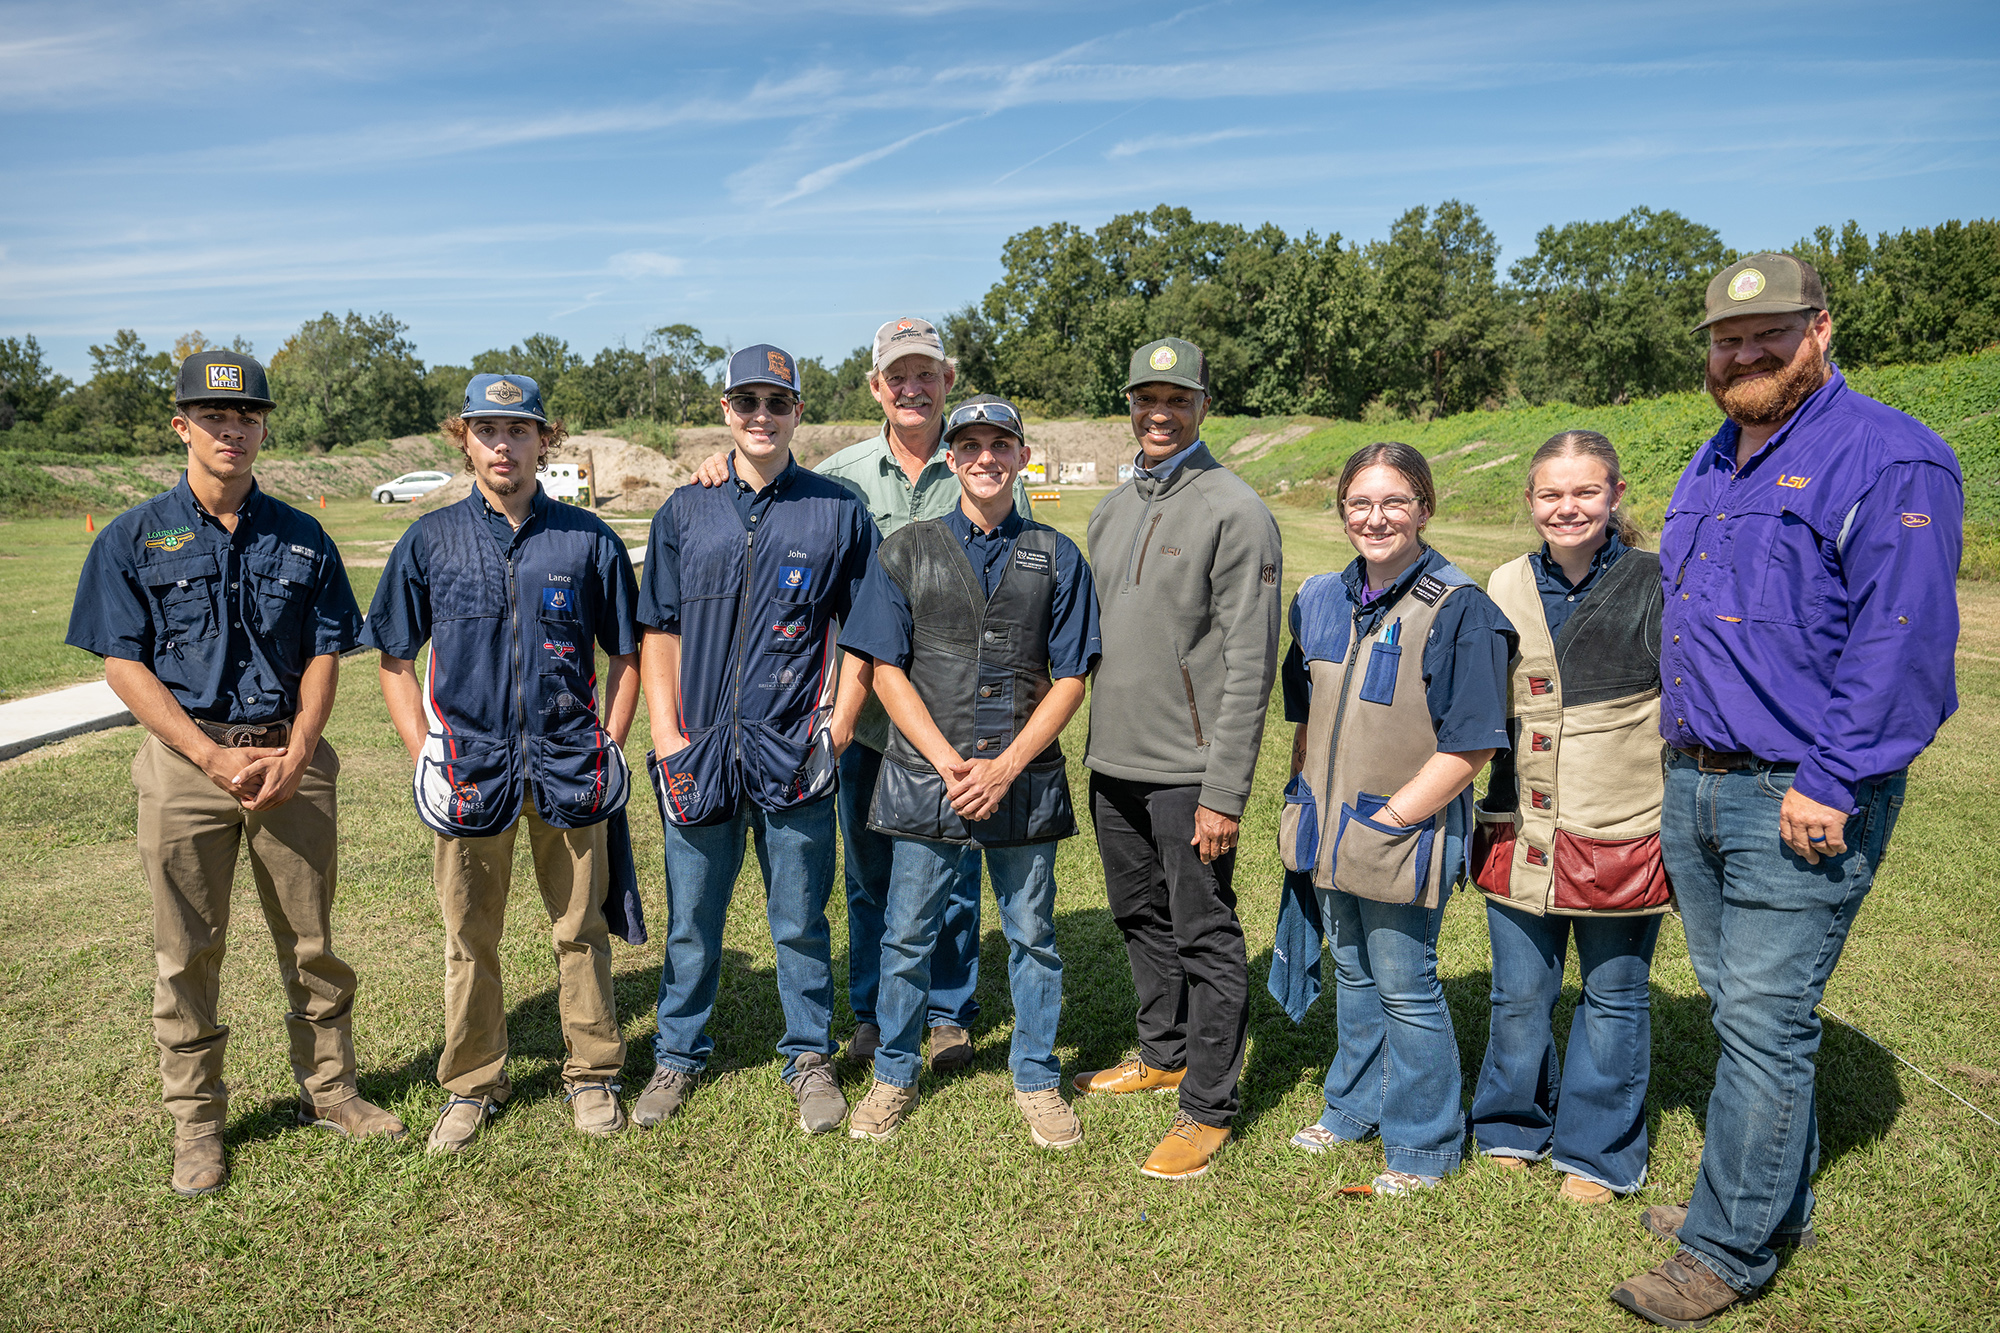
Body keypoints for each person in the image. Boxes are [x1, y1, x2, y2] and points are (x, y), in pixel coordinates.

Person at [1609, 255, 1963, 1327]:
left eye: (1768, 332)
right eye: (1726, 339)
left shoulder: (1889, 457)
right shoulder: (1715, 457)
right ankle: (1767, 1197)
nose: (1744, 353)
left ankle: (1725, 1248)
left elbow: (1900, 641)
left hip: (1798, 791)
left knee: (1765, 1018)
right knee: (1740, 1010)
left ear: (1819, 328)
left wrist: (1832, 778)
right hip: (1698, 780)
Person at [67, 350, 403, 1197]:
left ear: (263, 429)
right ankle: (198, 1125)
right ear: (181, 426)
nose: (233, 430)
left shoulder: (302, 535)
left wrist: (301, 749)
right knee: (186, 950)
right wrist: (210, 755)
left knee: (313, 942)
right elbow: (122, 664)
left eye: (247, 416)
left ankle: (331, 1091)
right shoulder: (133, 537)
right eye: (214, 417)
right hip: (188, 765)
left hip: (291, 758)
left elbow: (326, 649)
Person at [688, 318, 1033, 1075]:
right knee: (869, 873)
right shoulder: (841, 476)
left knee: (955, 875)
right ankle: (876, 1010)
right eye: (896, 376)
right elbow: (774, 487)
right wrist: (720, 465)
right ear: (876, 387)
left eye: (925, 374)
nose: (912, 388)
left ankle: (947, 1013)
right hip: (866, 717)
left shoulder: (983, 465)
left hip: (957, 718)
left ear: (947, 381)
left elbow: (1016, 587)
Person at [366, 373, 640, 1154]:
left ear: (544, 440)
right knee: (469, 936)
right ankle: (473, 1082)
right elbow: (394, 659)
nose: (502, 445)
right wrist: (426, 753)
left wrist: (610, 743)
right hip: (471, 774)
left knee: (581, 929)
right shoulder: (430, 541)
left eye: (519, 430)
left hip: (569, 767)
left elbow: (627, 652)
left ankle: (592, 1073)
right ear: (465, 438)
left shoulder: (587, 540)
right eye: (486, 429)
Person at [836, 395, 1101, 1146]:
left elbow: (1072, 676)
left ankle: (1037, 1077)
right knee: (906, 934)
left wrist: (1007, 765)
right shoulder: (907, 549)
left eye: (1000, 445)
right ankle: (893, 1073)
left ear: (1022, 457)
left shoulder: (1057, 554)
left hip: (1023, 777)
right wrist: (951, 764)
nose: (987, 459)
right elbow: (884, 667)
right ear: (951, 459)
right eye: (971, 447)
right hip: (929, 775)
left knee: (1033, 935)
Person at [632, 345, 877, 1135]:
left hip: (793, 749)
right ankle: (677, 1054)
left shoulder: (837, 510)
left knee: (800, 919)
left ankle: (809, 1055)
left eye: (777, 402)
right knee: (691, 921)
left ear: (798, 411)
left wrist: (839, 723)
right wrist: (666, 733)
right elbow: (659, 630)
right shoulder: (685, 510)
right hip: (698, 751)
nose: (761, 416)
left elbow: (866, 631)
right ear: (726, 410)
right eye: (747, 402)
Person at [1072, 337, 1284, 1181]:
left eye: (1177, 399)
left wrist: (1224, 791)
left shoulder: (1235, 509)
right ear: (1130, 403)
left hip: (1189, 772)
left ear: (1203, 405)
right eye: (1146, 399)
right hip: (1113, 762)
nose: (1159, 413)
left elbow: (1250, 663)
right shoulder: (1112, 507)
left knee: (1203, 931)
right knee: (1139, 917)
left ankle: (1208, 1104)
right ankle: (1162, 1053)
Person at [1276, 442, 1513, 1195]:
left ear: (1425, 509)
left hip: (1399, 833)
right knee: (1352, 971)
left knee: (1407, 985)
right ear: (1342, 511)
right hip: (1326, 828)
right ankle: (1352, 1107)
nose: (1375, 518)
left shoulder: (1460, 606)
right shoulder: (1318, 597)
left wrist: (1393, 820)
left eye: (1394, 502)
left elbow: (1473, 742)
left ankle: (1423, 1143)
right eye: (1360, 503)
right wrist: (1301, 794)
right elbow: (1305, 712)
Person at [1466, 431, 1671, 1206]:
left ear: (1616, 495)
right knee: (1519, 993)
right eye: (1551, 493)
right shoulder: (1504, 581)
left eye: (1586, 491)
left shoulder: (1661, 579)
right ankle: (1511, 1123)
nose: (1568, 507)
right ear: (1530, 501)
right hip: (1520, 827)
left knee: (1614, 996)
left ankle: (1598, 1149)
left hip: (1623, 829)